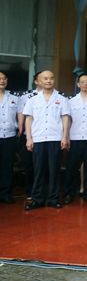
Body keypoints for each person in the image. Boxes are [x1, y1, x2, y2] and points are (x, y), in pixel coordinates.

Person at [22, 70, 71, 210]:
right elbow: (28, 119)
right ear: (38, 81)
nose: (49, 81)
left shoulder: (61, 98)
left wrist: (65, 136)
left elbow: (65, 118)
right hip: (38, 138)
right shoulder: (32, 99)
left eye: (51, 78)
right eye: (45, 79)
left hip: (55, 138)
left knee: (54, 169)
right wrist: (29, 138)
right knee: (38, 169)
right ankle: (37, 199)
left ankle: (53, 198)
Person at [63, 73, 87, 204]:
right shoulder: (71, 101)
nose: (85, 84)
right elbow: (68, 120)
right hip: (75, 137)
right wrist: (66, 137)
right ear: (78, 84)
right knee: (71, 167)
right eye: (82, 82)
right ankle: (68, 193)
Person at [0, 72, 22, 203]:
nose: (2, 81)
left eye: (4, 79)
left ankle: (6, 193)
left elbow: (20, 113)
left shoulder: (14, 98)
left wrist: (20, 126)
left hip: (9, 136)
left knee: (7, 166)